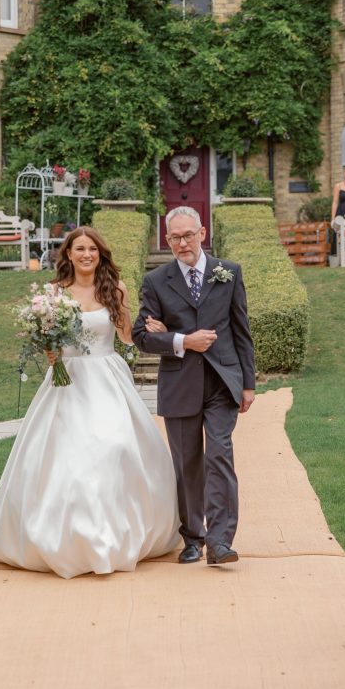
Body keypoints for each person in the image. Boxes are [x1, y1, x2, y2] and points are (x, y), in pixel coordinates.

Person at [0, 227, 180, 579]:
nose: (87, 254)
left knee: (115, 445)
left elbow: (124, 337)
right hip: (67, 379)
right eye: (80, 249)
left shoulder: (114, 288)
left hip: (106, 377)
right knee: (65, 457)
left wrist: (144, 323)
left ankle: (117, 533)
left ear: (100, 254)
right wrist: (48, 346)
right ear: (69, 255)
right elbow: (47, 339)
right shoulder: (53, 293)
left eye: (92, 249)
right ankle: (65, 537)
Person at [132, 207, 255, 566]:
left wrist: (248, 383)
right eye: (174, 237)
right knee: (187, 464)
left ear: (202, 233)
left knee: (219, 457)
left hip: (222, 381)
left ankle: (220, 542)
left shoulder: (228, 272)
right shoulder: (156, 281)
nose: (182, 243)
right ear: (166, 239)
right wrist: (183, 340)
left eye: (188, 235)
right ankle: (193, 537)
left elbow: (241, 330)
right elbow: (142, 336)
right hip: (180, 383)